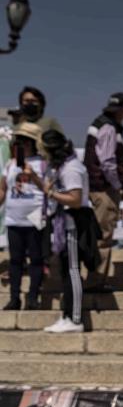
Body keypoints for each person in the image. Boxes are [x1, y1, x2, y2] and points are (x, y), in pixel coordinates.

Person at [34, 130, 94, 333]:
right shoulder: (58, 168)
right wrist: (36, 179)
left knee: (73, 270)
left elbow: (75, 199)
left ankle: (75, 319)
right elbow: (50, 190)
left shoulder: (71, 169)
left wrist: (52, 193)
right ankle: (67, 315)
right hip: (61, 224)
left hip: (73, 223)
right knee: (65, 270)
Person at [84, 93, 123, 283]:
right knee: (103, 235)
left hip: (97, 186)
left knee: (100, 235)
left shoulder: (101, 124)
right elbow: (108, 163)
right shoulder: (109, 127)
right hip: (103, 189)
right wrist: (118, 184)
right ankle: (96, 280)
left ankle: (96, 278)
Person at [0, 123, 45, 310]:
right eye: (19, 141)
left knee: (36, 259)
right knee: (16, 260)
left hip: (34, 218)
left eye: (26, 141)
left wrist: (33, 175)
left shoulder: (42, 163)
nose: (22, 145)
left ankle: (33, 296)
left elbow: (47, 187)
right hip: (14, 218)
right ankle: (14, 297)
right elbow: (3, 188)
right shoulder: (10, 164)